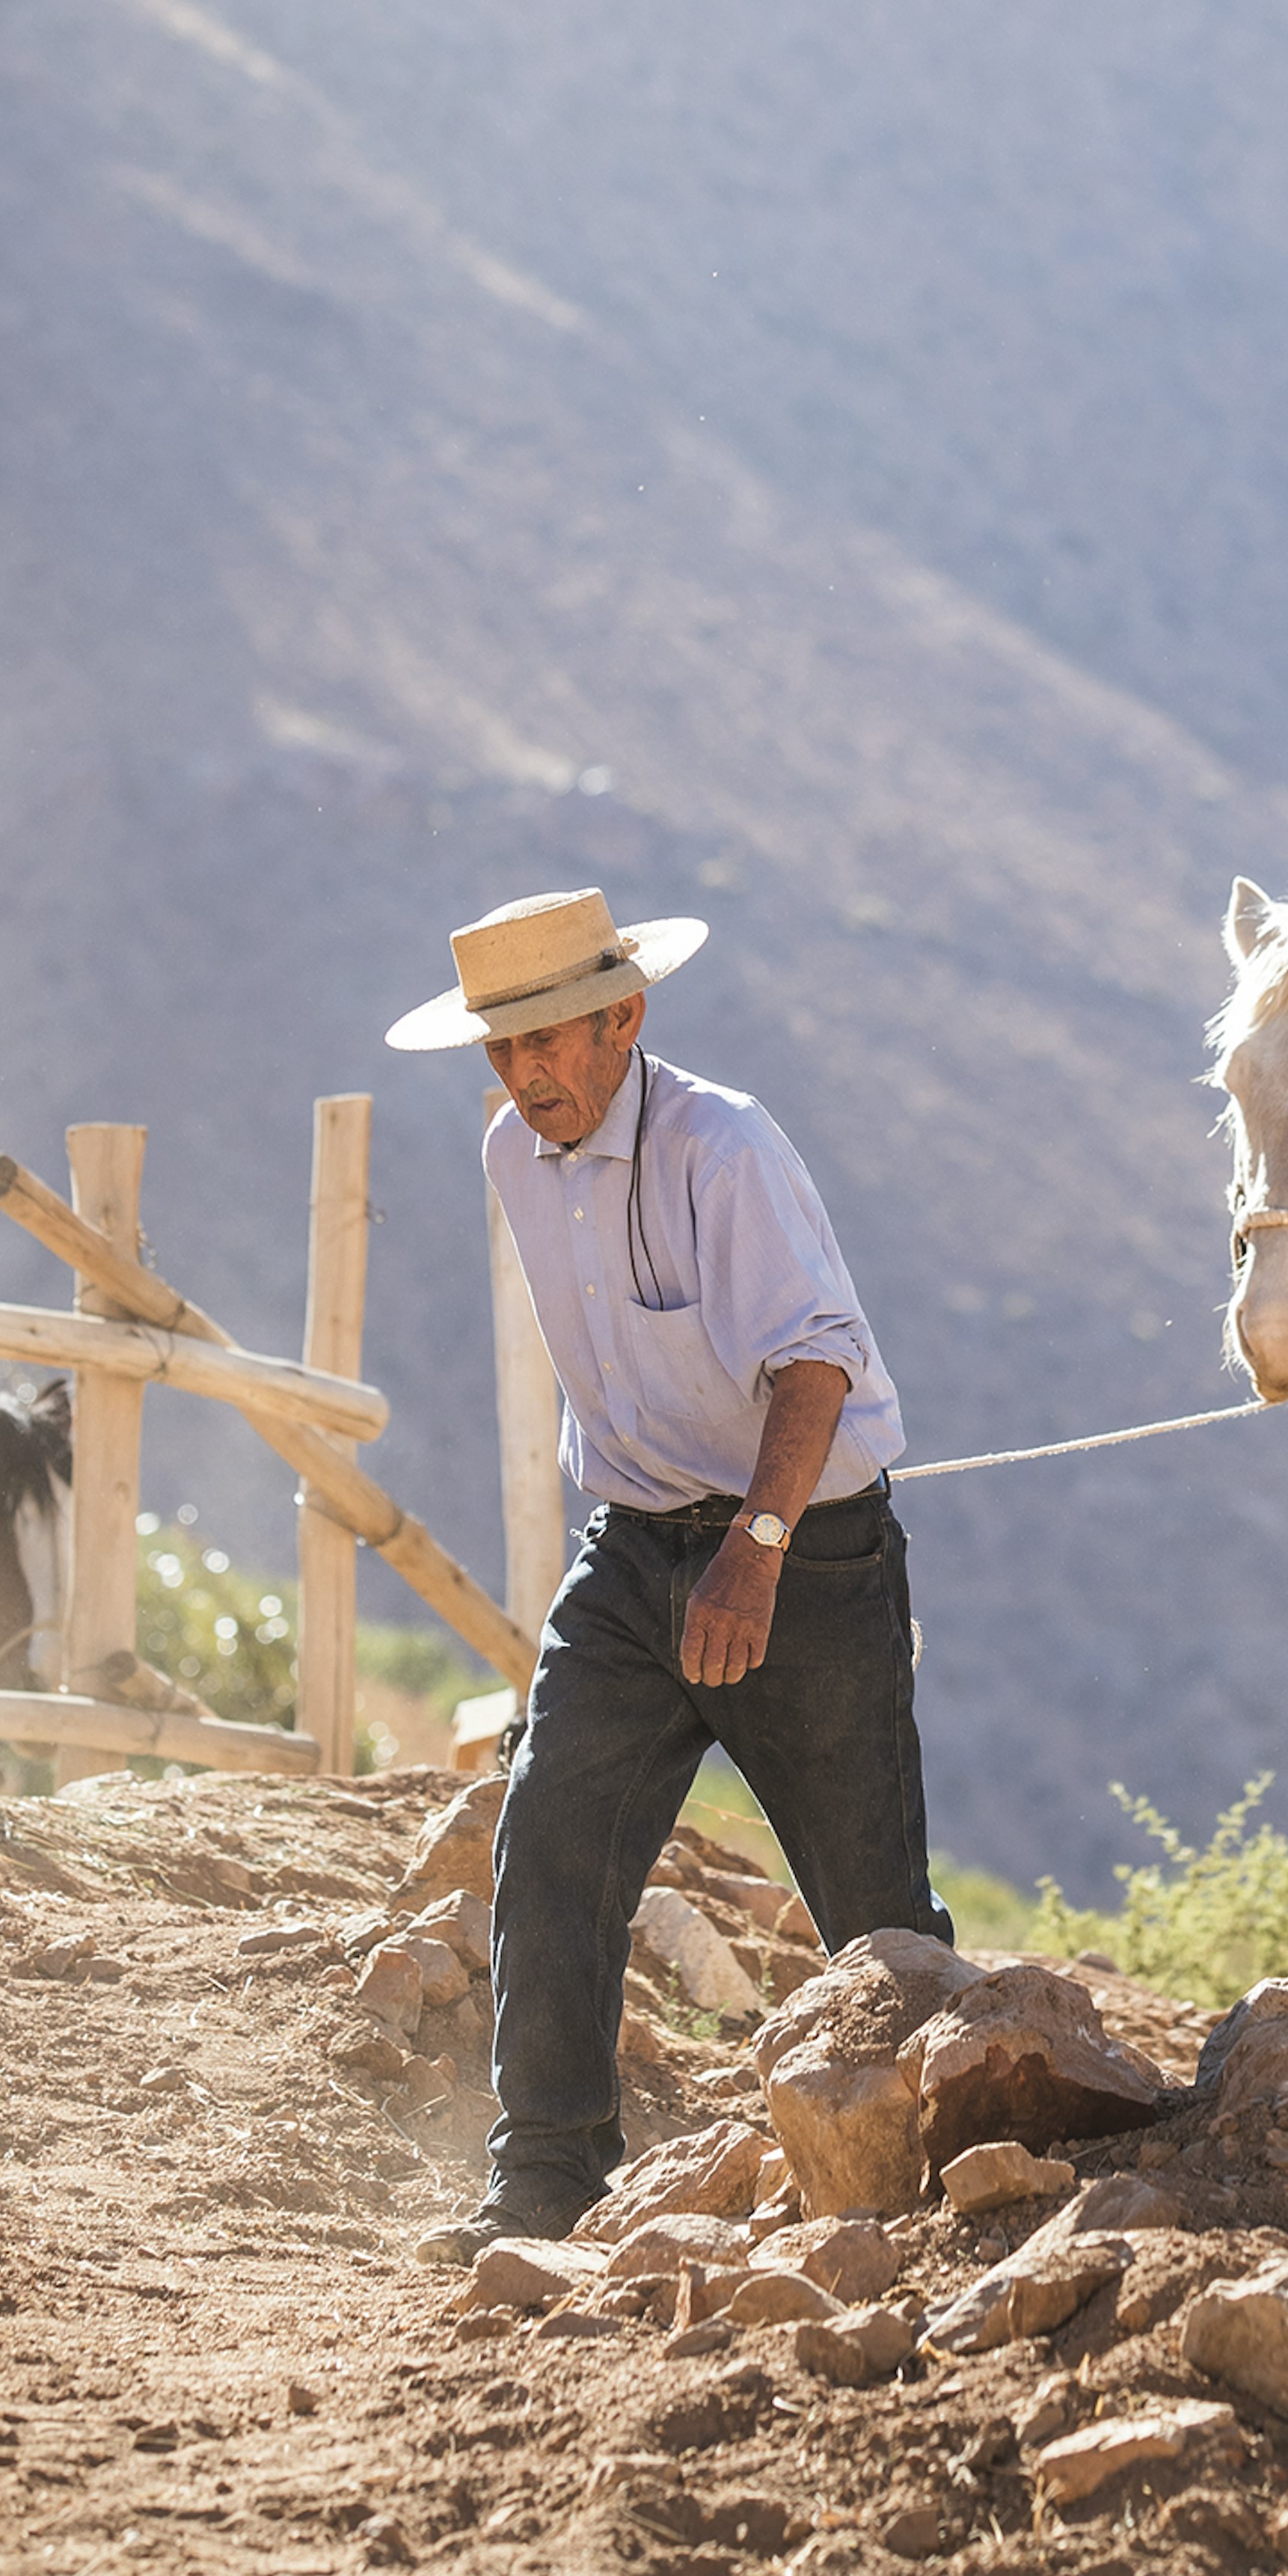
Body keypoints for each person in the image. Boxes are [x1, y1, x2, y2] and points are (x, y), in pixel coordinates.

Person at [384, 885, 945, 2259]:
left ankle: (947, 2172)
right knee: (552, 1837)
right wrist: (685, 1551)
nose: (525, 1076)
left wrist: (753, 1555)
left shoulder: (723, 1147)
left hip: (799, 1552)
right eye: (499, 1050)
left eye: (549, 1042)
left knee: (871, 1906)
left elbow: (816, 1364)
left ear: (623, 1019)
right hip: (634, 1547)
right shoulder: (513, 1159)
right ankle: (547, 2180)